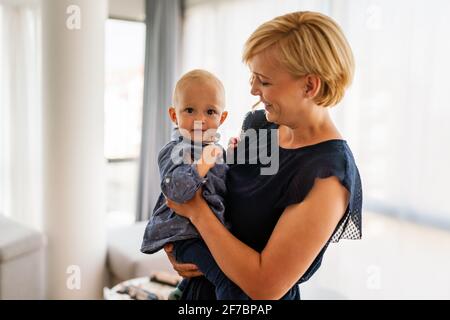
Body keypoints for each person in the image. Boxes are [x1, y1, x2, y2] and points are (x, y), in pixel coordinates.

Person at [164, 11, 363, 300]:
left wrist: (196, 212)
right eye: (252, 77)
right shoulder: (260, 125)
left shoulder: (328, 174)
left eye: (264, 81)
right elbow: (217, 191)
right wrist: (177, 245)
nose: (253, 89)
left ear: (310, 85)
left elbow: (264, 287)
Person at [141, 69, 252, 299]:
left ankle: (181, 291)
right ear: (174, 115)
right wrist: (202, 164)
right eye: (190, 110)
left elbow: (225, 185)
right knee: (226, 277)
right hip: (186, 237)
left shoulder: (216, 151)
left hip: (210, 233)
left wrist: (232, 156)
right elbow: (175, 191)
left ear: (221, 119)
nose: (200, 120)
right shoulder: (173, 151)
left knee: (215, 273)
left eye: (210, 111)